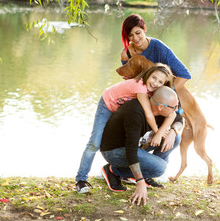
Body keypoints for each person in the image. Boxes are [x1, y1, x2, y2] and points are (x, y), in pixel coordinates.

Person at [75, 63, 176, 193]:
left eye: (160, 82)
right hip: (107, 104)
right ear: (148, 75)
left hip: (121, 109)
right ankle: (81, 180)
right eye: (154, 78)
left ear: (164, 84)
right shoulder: (141, 87)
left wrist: (166, 131)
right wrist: (157, 132)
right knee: (95, 143)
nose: (156, 83)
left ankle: (145, 173)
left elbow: (174, 113)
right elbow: (149, 114)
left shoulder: (157, 93)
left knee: (171, 138)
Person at [100, 86, 183, 206]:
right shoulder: (135, 113)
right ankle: (113, 170)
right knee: (160, 168)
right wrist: (140, 182)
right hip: (115, 151)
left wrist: (172, 131)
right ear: (160, 106)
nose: (176, 110)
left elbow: (180, 120)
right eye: (174, 107)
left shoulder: (163, 111)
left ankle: (147, 171)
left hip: (136, 146)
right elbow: (131, 150)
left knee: (175, 138)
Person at [120, 14, 191, 91]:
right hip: (142, 90)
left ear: (144, 29)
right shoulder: (126, 54)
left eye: (138, 33)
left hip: (161, 90)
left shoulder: (159, 48)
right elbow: (132, 80)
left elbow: (184, 75)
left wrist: (165, 94)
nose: (135, 38)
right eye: (131, 35)